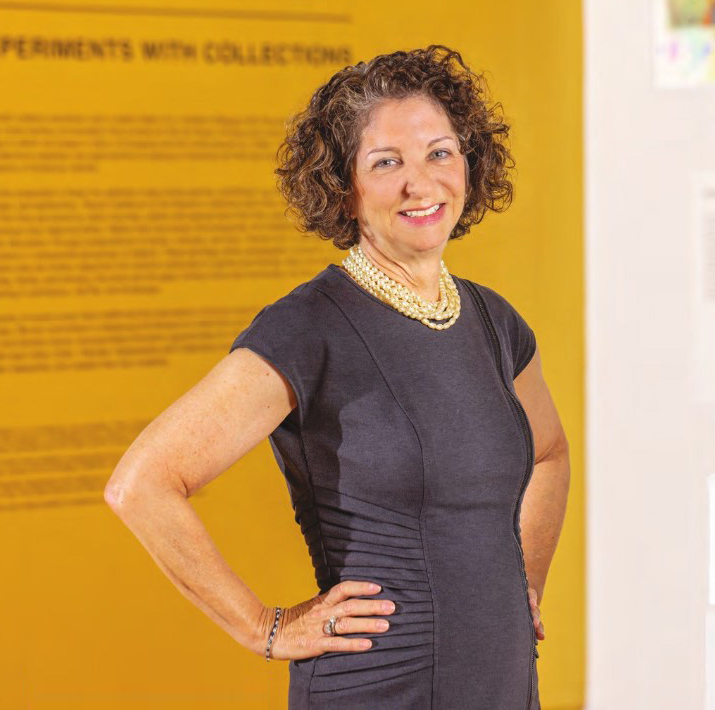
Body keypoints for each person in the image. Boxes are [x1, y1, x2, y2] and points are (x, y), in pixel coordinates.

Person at [104, 44, 570, 709]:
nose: (421, 183)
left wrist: (519, 580)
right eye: (387, 164)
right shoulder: (307, 329)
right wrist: (261, 627)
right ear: (343, 188)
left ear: (469, 163)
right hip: (379, 684)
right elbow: (142, 485)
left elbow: (548, 453)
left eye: (439, 153)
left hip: (499, 679)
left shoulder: (495, 324)